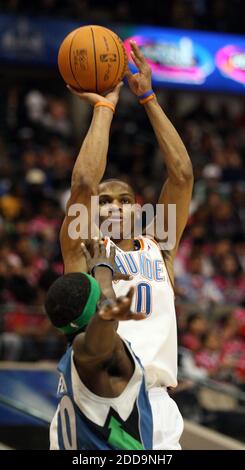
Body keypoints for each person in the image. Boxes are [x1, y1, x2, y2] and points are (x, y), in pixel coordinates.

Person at [60, 41, 193, 449]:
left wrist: (148, 98)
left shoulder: (161, 247)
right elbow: (83, 184)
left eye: (124, 199)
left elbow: (183, 175)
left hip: (157, 402)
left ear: (138, 209)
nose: (115, 206)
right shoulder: (85, 246)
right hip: (102, 397)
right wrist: (106, 106)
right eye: (106, 201)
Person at [46, 240, 152, 450]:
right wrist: (104, 316)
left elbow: (102, 304)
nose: (109, 300)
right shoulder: (91, 353)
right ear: (97, 311)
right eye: (103, 301)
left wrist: (103, 272)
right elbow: (95, 345)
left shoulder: (69, 358)